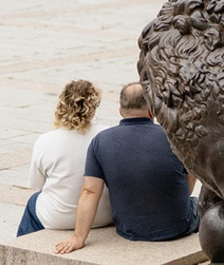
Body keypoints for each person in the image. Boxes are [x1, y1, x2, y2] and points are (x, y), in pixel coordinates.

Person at [54, 83, 198, 253]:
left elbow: (90, 192)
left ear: (120, 110)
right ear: (152, 109)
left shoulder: (101, 141)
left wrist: (78, 238)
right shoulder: (176, 137)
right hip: (177, 227)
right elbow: (192, 175)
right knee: (204, 201)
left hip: (128, 229)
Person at [18, 80, 113, 236]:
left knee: (33, 201)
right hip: (103, 215)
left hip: (57, 217)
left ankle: (21, 251)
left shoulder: (45, 140)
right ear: (93, 109)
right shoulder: (108, 135)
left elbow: (36, 183)